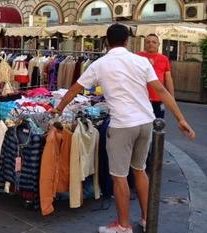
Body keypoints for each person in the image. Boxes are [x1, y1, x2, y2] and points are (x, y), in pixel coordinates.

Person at [52, 24, 195, 233]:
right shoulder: (141, 61)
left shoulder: (100, 65)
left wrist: (59, 109)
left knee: (119, 176)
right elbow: (161, 90)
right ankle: (147, 219)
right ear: (127, 41)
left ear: (107, 42)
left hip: (122, 125)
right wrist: (181, 119)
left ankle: (123, 225)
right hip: (146, 121)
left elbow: (75, 88)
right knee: (140, 170)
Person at [137, 34, 174, 119]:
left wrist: (171, 98)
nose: (151, 44)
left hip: (158, 99)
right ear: (144, 44)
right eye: (148, 42)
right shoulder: (137, 57)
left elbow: (168, 79)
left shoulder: (164, 59)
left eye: (154, 42)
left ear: (158, 44)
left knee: (158, 126)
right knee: (141, 125)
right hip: (140, 99)